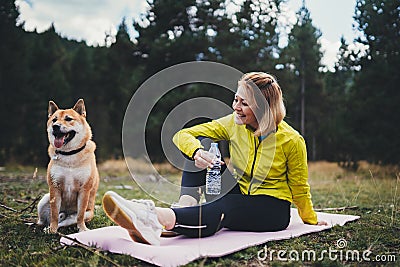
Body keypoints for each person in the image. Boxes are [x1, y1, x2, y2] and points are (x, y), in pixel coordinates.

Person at [102, 72, 327, 246]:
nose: (235, 107)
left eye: (244, 103)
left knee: (225, 206)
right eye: (236, 99)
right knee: (199, 152)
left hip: (271, 209)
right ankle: (184, 208)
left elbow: (299, 187)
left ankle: (153, 217)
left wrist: (310, 219)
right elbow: (183, 135)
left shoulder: (291, 140)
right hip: (238, 191)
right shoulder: (232, 123)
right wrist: (198, 153)